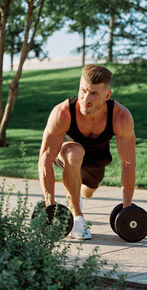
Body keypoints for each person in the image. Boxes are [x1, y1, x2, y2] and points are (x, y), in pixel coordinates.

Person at [38, 64, 136, 240]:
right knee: (74, 152)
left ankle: (78, 195)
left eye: (93, 93)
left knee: (87, 191)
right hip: (68, 152)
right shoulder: (63, 113)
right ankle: (77, 217)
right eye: (83, 91)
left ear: (107, 95)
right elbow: (45, 159)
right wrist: (50, 206)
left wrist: (127, 209)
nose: (85, 98)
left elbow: (127, 163)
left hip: (96, 160)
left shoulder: (121, 117)